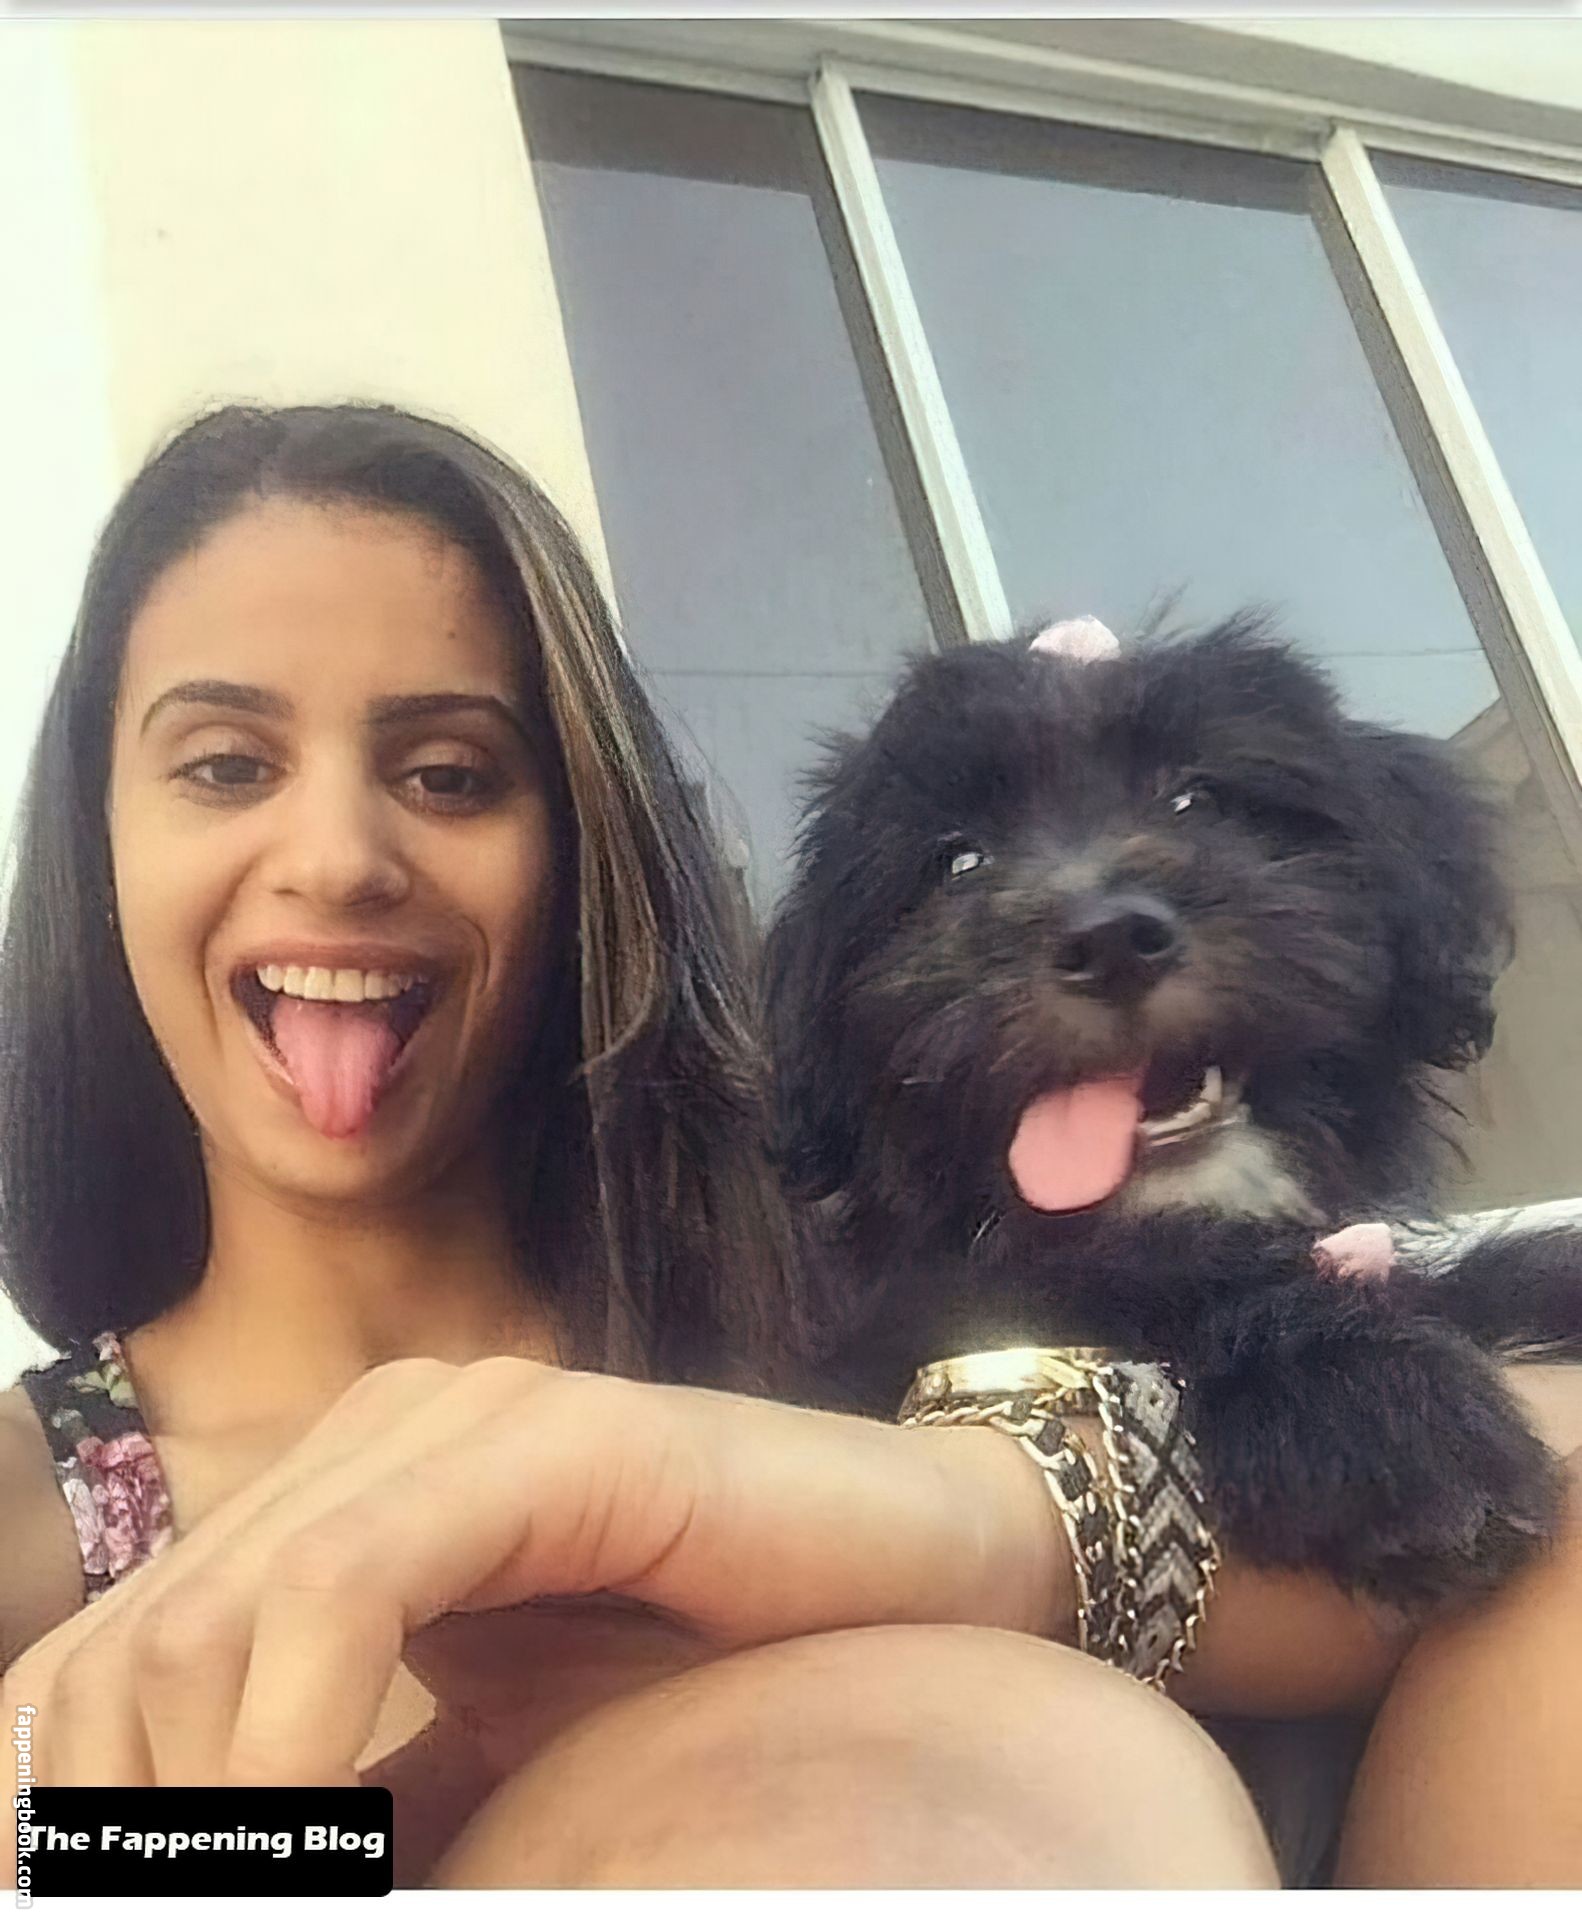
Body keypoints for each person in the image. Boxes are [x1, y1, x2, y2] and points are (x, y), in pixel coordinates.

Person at [0, 403, 1576, 1891]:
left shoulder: (858, 1297)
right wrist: (305, 1839)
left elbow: (1467, 1478)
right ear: (98, 845)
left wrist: (968, 1515)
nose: (339, 857)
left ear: (588, 857)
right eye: (225, 766)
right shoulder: (36, 1523)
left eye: (449, 776)